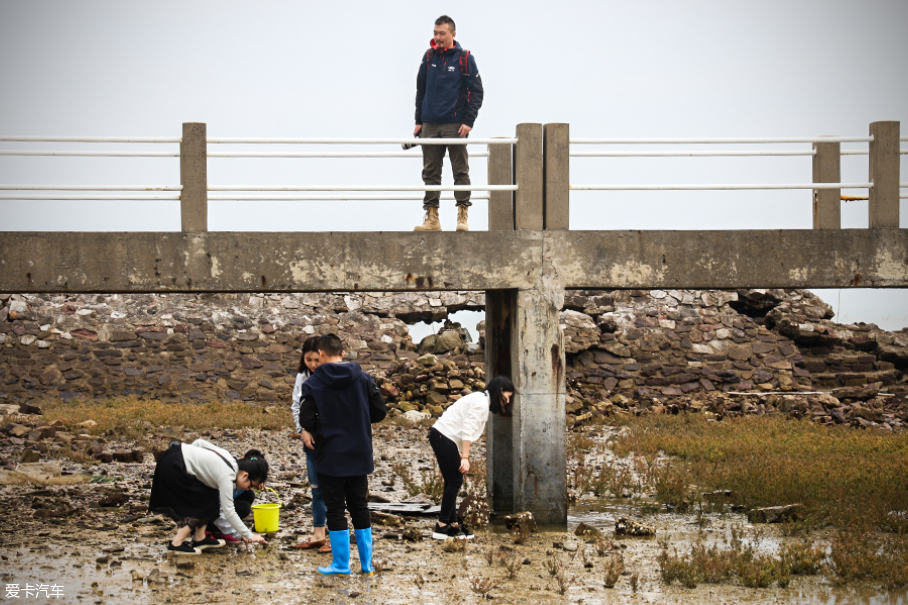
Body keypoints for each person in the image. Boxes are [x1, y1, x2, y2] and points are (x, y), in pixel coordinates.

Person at [299, 333, 387, 576]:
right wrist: (358, 418)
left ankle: (340, 564)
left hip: (330, 456)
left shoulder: (313, 384)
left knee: (335, 509)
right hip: (359, 453)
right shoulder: (364, 378)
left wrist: (320, 426)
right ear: (343, 354)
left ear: (322, 355)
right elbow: (379, 412)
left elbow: (305, 419)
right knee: (360, 506)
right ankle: (367, 564)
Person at [413, 14, 484, 233]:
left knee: (460, 170)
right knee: (430, 172)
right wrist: (418, 121)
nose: (438, 37)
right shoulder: (428, 57)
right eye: (435, 32)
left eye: (442, 33)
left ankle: (462, 216)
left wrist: (469, 121)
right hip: (430, 124)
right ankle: (432, 218)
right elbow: (421, 90)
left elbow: (477, 91)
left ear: (453, 34)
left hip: (455, 124)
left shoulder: (464, 58)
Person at [429, 375, 515, 540]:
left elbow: (460, 425)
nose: (508, 402)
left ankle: (452, 524)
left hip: (444, 437)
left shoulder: (481, 399)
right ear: (501, 391)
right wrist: (465, 457)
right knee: (455, 481)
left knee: (452, 480)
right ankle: (441, 527)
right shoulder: (481, 402)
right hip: (443, 437)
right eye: (507, 397)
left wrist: (459, 452)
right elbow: (467, 429)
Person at [149, 439, 269, 554]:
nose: (248, 489)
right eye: (250, 485)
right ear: (245, 475)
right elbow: (228, 511)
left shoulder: (229, 460)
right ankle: (176, 544)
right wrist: (248, 535)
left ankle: (200, 539)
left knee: (208, 497)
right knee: (199, 505)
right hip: (175, 465)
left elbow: (199, 442)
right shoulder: (227, 475)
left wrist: (192, 455)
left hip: (174, 455)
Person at [290, 335, 331, 553]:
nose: (313, 365)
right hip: (311, 438)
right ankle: (318, 534)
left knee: (333, 488)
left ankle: (335, 536)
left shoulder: (333, 375)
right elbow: (296, 406)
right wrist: (303, 431)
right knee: (316, 489)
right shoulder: (302, 377)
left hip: (331, 438)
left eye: (316, 360)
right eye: (308, 360)